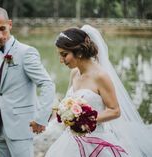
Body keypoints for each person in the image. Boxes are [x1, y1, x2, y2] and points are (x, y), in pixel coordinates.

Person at [45, 25, 152, 157]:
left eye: (64, 55)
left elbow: (115, 110)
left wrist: (85, 121)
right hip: (71, 140)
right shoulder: (74, 73)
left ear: (78, 52)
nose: (61, 60)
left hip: (96, 140)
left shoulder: (101, 76)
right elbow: (68, 102)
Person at [0, 7, 55, 157]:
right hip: (0, 126)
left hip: (21, 126)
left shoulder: (26, 52)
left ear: (10, 24)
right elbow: (0, 92)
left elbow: (47, 84)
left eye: (3, 29)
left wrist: (41, 119)